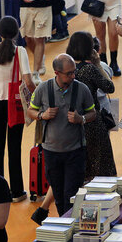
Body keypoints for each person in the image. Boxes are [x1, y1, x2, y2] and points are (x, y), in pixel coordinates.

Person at [27, 54, 96, 216]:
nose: (73, 76)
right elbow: (30, 110)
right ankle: (64, 224)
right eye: (69, 73)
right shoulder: (43, 89)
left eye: (74, 72)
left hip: (75, 152)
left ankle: (69, 225)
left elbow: (92, 112)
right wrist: (42, 115)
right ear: (57, 73)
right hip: (51, 152)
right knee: (58, 195)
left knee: (71, 195)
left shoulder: (82, 89)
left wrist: (82, 119)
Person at [0, 16, 36, 203]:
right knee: (14, 147)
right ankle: (16, 191)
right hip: (13, 104)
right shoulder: (20, 51)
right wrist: (38, 96)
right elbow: (28, 81)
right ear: (16, 32)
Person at [66, 31, 117, 180]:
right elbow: (110, 87)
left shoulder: (66, 69)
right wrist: (97, 64)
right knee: (101, 166)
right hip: (92, 122)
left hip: (71, 123)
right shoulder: (89, 69)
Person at [11, 0, 60, 82]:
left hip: (44, 6)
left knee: (40, 39)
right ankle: (40, 58)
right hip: (26, 6)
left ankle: (35, 73)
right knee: (28, 38)